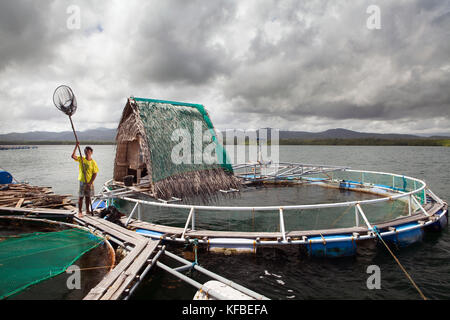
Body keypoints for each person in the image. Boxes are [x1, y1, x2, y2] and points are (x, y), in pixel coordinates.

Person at [71, 142, 99, 217]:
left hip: (90, 182)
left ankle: (87, 210)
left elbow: (95, 173)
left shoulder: (93, 163)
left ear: (91, 152)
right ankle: (79, 211)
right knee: (81, 197)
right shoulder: (81, 159)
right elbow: (73, 156)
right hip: (82, 181)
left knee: (88, 197)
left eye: (89, 152)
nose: (87, 153)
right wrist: (76, 146)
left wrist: (90, 182)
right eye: (86, 152)